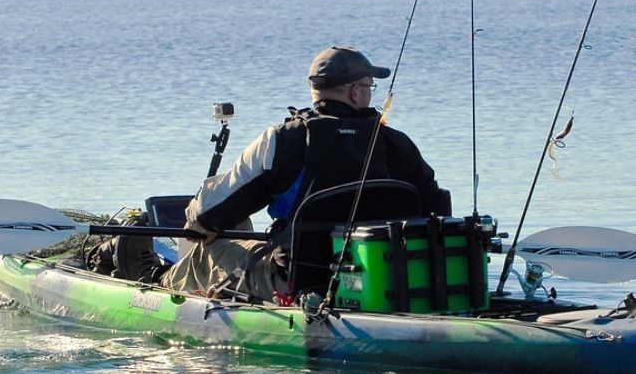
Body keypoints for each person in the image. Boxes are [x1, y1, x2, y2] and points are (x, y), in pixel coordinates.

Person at [159, 46, 449, 301]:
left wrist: (196, 218)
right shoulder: (398, 143)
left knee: (208, 250)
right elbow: (437, 211)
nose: (370, 93)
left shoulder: (283, 140)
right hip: (389, 279)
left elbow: (209, 214)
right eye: (370, 86)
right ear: (354, 92)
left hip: (298, 283)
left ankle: (154, 286)